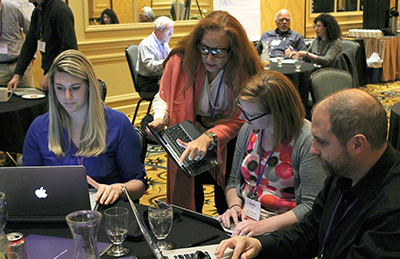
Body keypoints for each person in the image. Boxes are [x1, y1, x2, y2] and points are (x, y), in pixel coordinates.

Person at [215, 88, 400, 259]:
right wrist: (258, 244)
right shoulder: (345, 170)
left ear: (357, 145)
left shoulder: (392, 210)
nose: (313, 150)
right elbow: (310, 231)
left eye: (321, 141)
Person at [149, 10, 263, 214]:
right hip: (188, 132)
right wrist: (160, 118)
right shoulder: (182, 59)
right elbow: (164, 96)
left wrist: (211, 136)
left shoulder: (243, 67)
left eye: (219, 51)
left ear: (233, 50)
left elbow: (244, 116)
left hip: (231, 138)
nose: (209, 57)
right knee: (191, 198)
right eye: (204, 48)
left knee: (227, 198)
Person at [22, 49, 147, 205]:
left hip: (104, 210)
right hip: (56, 208)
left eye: (75, 88)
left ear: (89, 87)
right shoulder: (39, 127)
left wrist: (118, 189)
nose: (67, 96)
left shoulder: (118, 124)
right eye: (60, 88)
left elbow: (139, 184)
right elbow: (26, 183)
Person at [218, 70, 325, 237]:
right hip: (246, 220)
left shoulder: (306, 140)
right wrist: (234, 207)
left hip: (284, 229)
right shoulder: (249, 130)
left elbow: (311, 205)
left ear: (277, 114)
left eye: (250, 115)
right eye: (241, 109)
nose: (243, 118)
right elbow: (233, 182)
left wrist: (262, 227)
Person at [7, 0, 77, 91]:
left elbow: (69, 49)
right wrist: (17, 75)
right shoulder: (38, 12)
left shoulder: (60, 11)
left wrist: (51, 73)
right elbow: (29, 45)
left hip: (64, 76)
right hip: (51, 73)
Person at [0, 0, 34, 87]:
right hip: (1, 69)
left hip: (20, 65)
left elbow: (32, 32)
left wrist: (32, 56)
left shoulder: (14, 8)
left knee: (27, 95)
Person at [136, 16, 174, 93]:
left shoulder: (164, 42)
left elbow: (170, 56)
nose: (171, 34)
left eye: (172, 32)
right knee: (173, 89)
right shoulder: (146, 44)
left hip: (159, 77)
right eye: (168, 31)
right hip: (147, 82)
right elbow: (151, 67)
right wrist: (167, 61)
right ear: (158, 30)